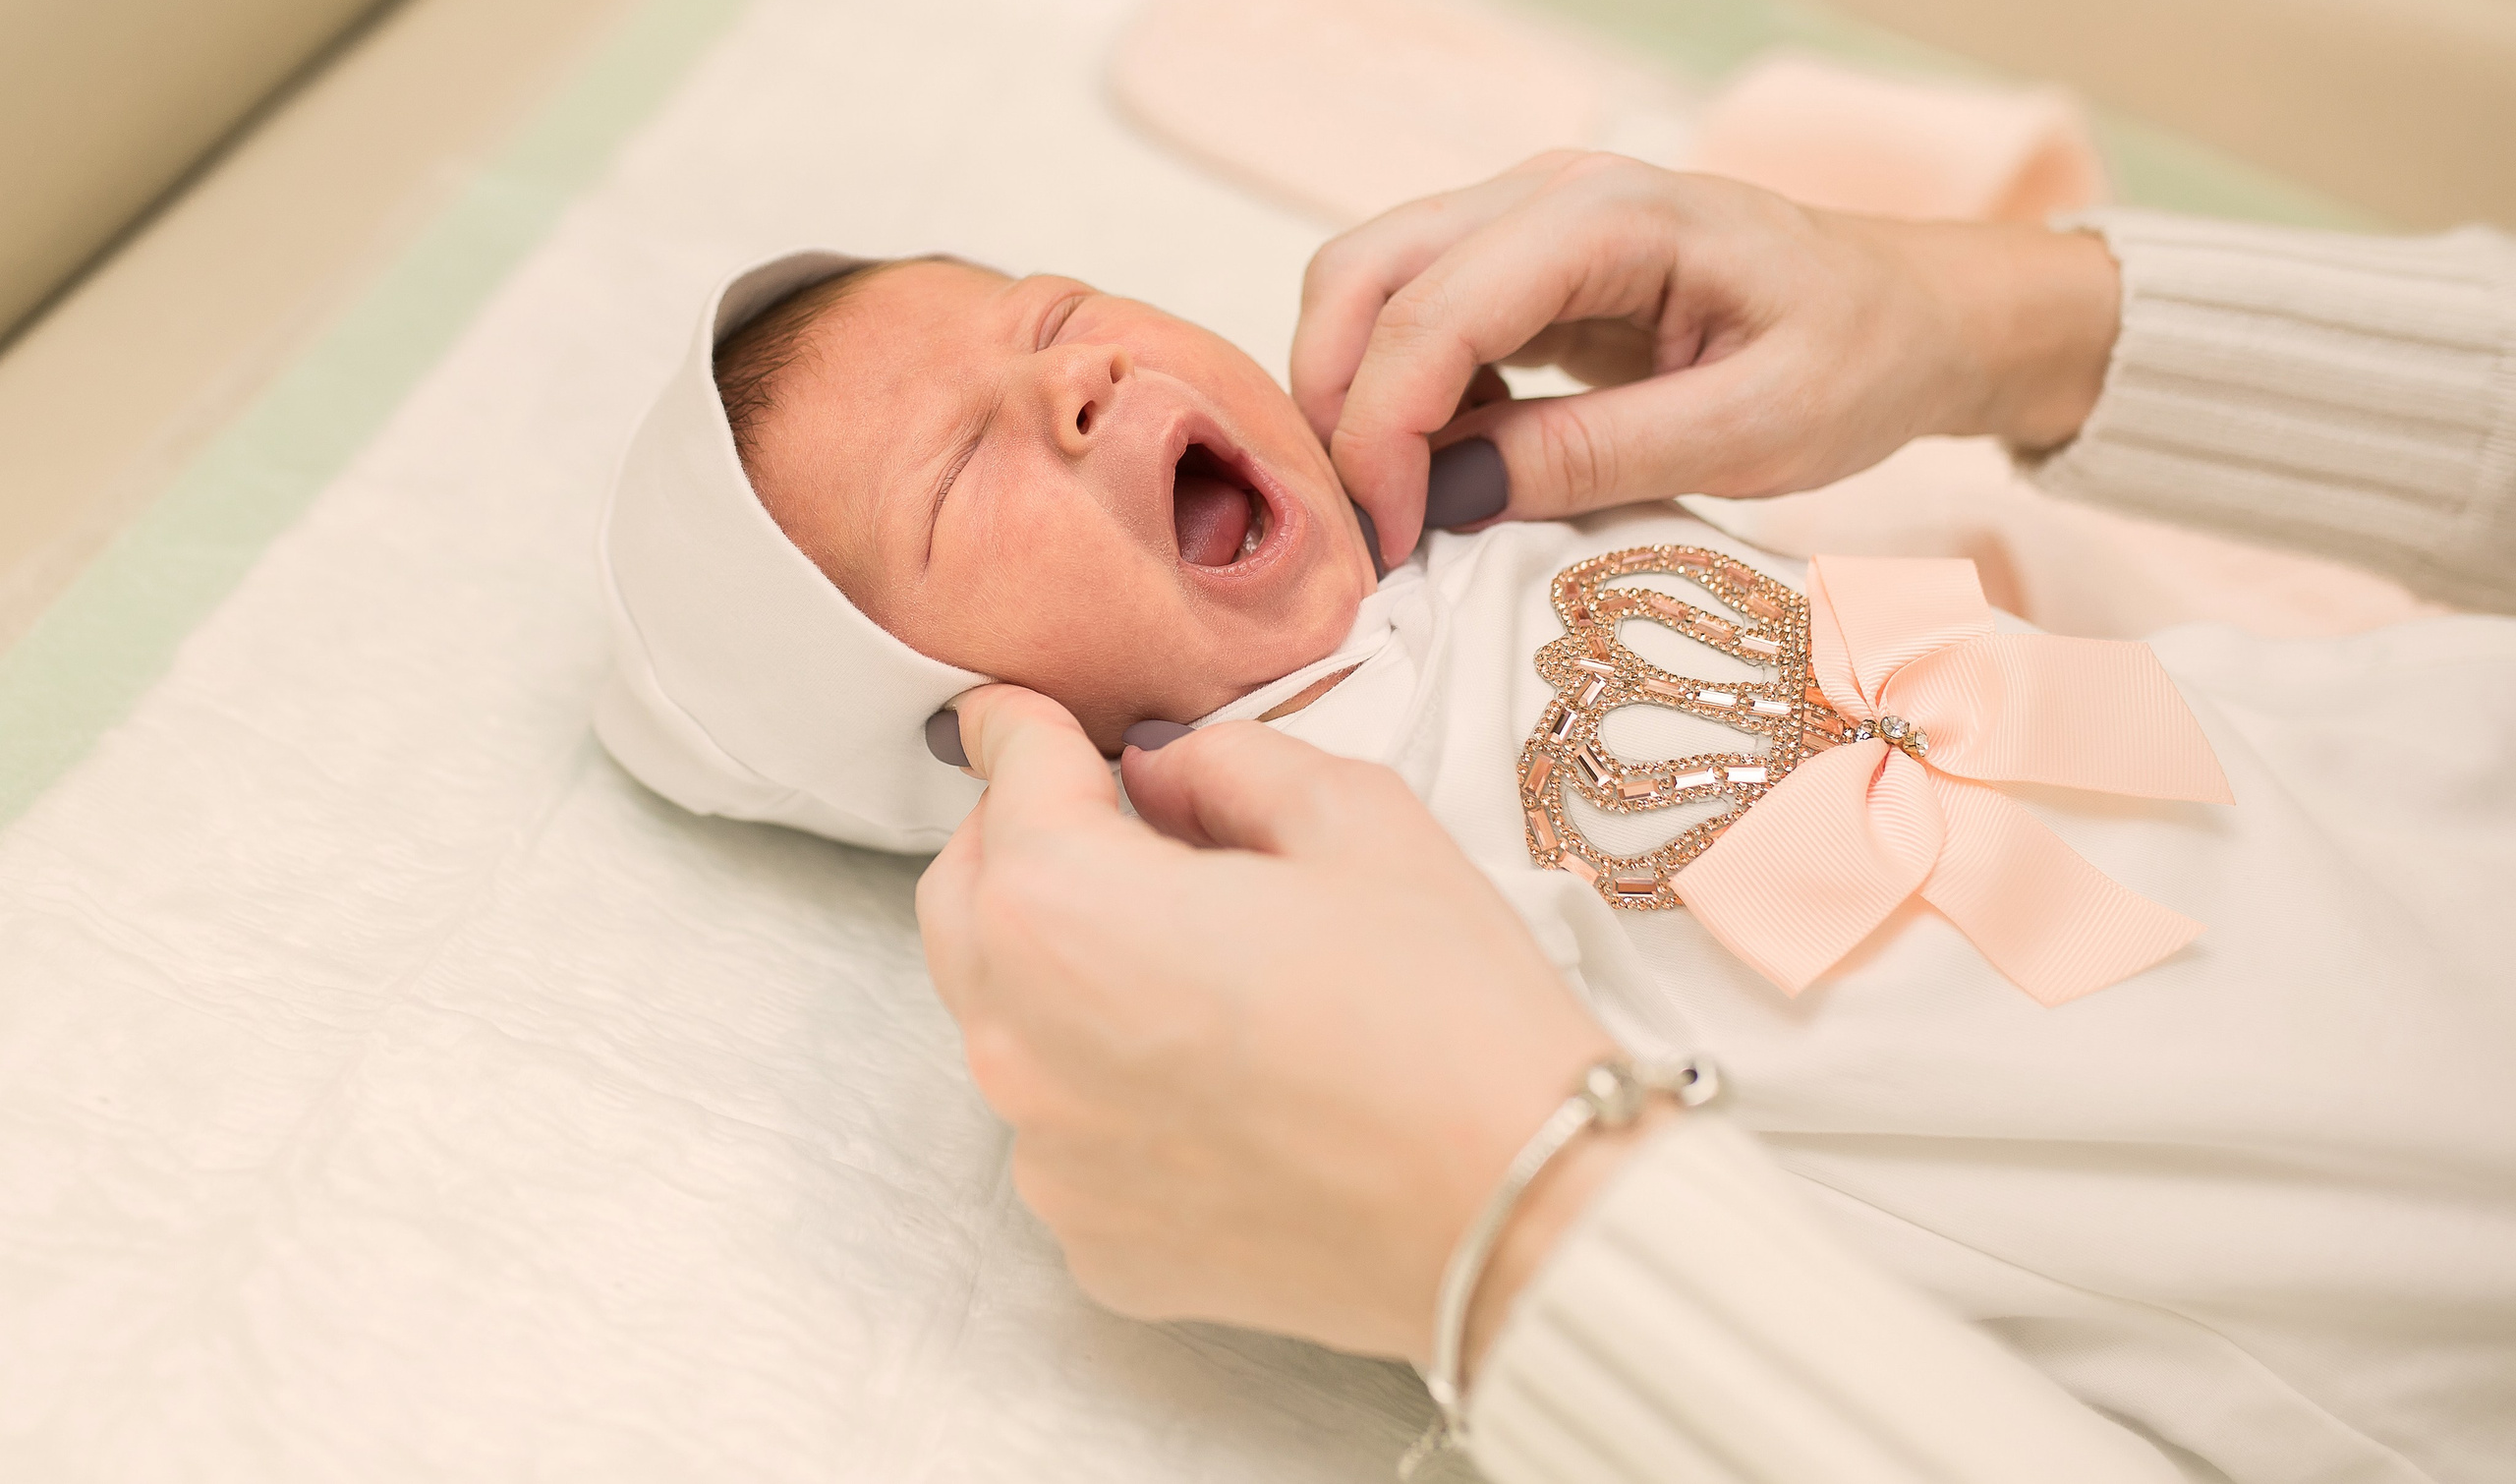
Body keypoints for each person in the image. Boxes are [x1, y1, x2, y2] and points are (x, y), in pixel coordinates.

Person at [898, 156, 2516, 1483]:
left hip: (2350, 784)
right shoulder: (1273, 845)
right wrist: (1996, 318)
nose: (1078, 378)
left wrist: (1517, 1235)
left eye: (1060, 314)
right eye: (959, 472)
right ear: (962, 735)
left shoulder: (1478, 491)